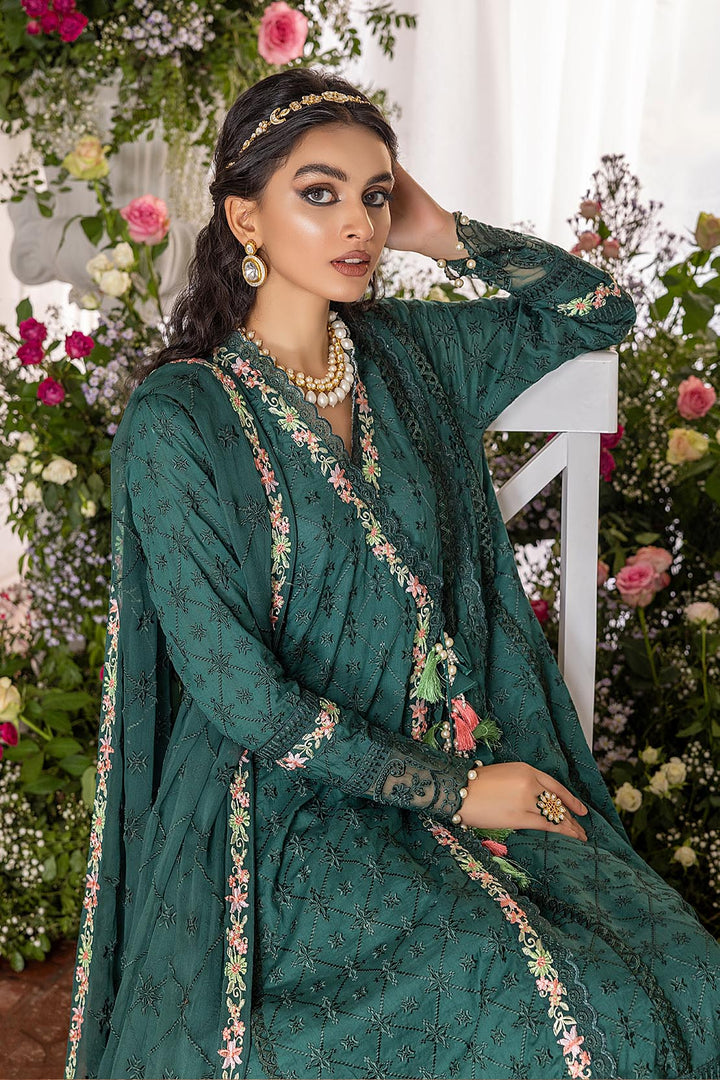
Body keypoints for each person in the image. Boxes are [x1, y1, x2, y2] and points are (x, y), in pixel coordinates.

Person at [65, 66, 720, 1080]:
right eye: (318, 192)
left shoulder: (410, 355)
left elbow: (598, 312)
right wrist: (459, 793)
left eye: (374, 195)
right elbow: (243, 697)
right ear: (244, 217)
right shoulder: (182, 419)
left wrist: (441, 230)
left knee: (688, 977)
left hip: (465, 758)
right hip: (284, 810)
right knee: (529, 1000)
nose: (357, 223)